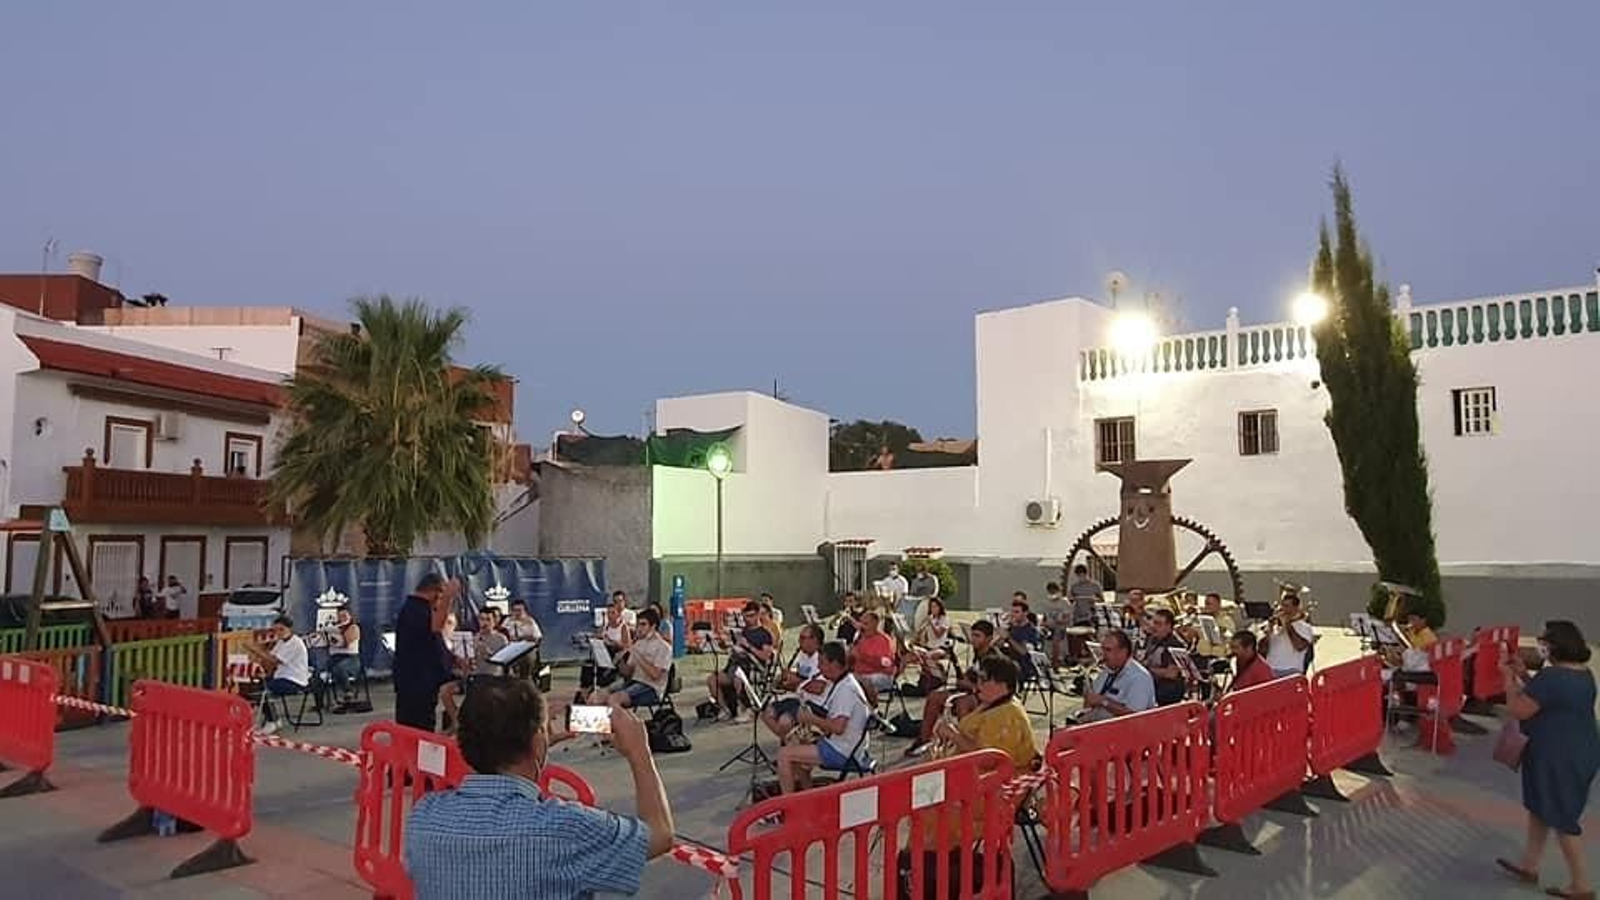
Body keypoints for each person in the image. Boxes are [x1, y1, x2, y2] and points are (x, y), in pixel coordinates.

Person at [405, 678, 673, 899]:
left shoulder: (424, 816)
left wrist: (536, 751)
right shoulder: (564, 827)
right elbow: (659, 835)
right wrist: (640, 752)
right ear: (536, 744)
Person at [1496, 620, 1600, 899]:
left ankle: (1582, 885)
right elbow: (1552, 698)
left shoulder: (1552, 677)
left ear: (1554, 646)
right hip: (1581, 751)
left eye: (1544, 642)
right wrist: (1525, 675)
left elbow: (1519, 710)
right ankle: (1529, 866)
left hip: (1556, 756)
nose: (1541, 646)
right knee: (1541, 809)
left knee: (1561, 817)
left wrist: (1507, 679)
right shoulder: (1583, 675)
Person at [777, 641, 872, 793]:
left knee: (784, 755)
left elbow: (838, 728)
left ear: (834, 664)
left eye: (821, 663)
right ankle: (807, 795)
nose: (819, 668)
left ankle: (788, 805)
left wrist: (810, 719)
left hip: (844, 750)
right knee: (795, 746)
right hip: (844, 744)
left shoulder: (847, 690)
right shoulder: (841, 683)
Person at [907, 620, 1004, 758]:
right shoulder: (977, 652)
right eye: (973, 635)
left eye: (978, 636)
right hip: (970, 692)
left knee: (962, 703)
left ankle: (965, 744)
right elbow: (969, 677)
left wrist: (968, 685)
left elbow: (990, 688)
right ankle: (924, 739)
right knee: (934, 696)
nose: (973, 639)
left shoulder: (994, 658)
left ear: (989, 638)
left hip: (984, 697)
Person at [932, 654, 1038, 770]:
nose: (978, 684)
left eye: (983, 680)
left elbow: (990, 761)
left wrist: (953, 735)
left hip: (998, 781)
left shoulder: (1005, 715)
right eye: (978, 679)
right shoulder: (993, 702)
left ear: (1002, 685)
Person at [394, 574, 457, 732]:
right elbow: (435, 628)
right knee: (417, 729)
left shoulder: (416, 608)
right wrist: (448, 598)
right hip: (417, 683)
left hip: (419, 681)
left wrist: (452, 659)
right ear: (435, 592)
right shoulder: (416, 609)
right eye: (440, 596)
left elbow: (431, 641)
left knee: (418, 726)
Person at [705, 601, 777, 721]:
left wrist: (748, 646)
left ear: (758, 615)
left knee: (738, 679)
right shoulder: (743, 631)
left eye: (751, 616)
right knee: (712, 679)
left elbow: (765, 657)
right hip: (734, 666)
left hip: (753, 668)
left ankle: (748, 709)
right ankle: (725, 709)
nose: (748, 619)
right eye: (746, 616)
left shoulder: (765, 634)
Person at [596, 608, 673, 711]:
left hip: (651, 687)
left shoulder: (664, 647)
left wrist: (636, 653)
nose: (639, 628)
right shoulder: (638, 643)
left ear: (653, 626)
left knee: (613, 700)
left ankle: (629, 726)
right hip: (633, 681)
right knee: (597, 697)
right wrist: (619, 661)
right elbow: (628, 673)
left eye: (643, 624)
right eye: (638, 625)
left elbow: (655, 675)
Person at [246, 615, 312, 736]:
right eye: (276, 630)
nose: (278, 633)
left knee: (264, 689)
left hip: (294, 680)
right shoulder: (281, 642)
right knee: (256, 685)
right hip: (281, 676)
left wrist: (255, 650)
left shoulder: (295, 643)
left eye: (281, 629)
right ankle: (270, 717)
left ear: (290, 629)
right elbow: (270, 660)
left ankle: (273, 720)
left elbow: (274, 660)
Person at [762, 624, 827, 740]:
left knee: (784, 721)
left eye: (802, 638)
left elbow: (819, 688)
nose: (799, 641)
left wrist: (795, 680)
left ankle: (791, 742)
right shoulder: (802, 656)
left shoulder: (822, 658)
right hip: (799, 698)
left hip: (815, 702)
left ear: (814, 640)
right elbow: (798, 684)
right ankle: (788, 740)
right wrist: (784, 683)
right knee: (767, 713)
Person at [1076, 630, 1156, 724]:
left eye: (1108, 650)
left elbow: (1135, 717)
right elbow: (1090, 703)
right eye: (1103, 649)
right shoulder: (1107, 671)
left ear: (1123, 652)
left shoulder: (1139, 678)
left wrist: (1104, 702)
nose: (1103, 655)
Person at [849, 610, 899, 706]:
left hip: (881, 675)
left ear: (875, 624)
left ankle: (872, 710)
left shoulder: (884, 640)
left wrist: (861, 656)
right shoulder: (861, 638)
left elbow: (885, 664)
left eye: (865, 624)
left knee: (860, 682)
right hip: (861, 674)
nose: (862, 627)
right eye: (861, 623)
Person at [1140, 609, 1189, 706]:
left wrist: (1146, 670)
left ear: (1169, 627)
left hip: (1167, 690)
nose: (1154, 626)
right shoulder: (1151, 639)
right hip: (1151, 683)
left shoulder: (1175, 644)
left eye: (1158, 624)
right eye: (1154, 622)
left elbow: (1172, 674)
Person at [1263, 590, 1316, 677]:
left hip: (1291, 671)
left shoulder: (1305, 627)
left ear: (1296, 608)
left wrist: (1287, 624)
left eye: (1287, 606)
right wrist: (1268, 632)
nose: (1283, 609)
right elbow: (1263, 650)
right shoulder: (1275, 627)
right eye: (1282, 606)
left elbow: (1299, 646)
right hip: (1270, 670)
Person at [325, 605, 363, 708]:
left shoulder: (354, 627)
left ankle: (348, 692)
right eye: (340, 616)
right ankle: (321, 702)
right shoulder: (331, 628)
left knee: (339, 668)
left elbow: (346, 642)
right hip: (335, 658)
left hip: (351, 659)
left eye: (345, 615)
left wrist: (336, 633)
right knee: (318, 672)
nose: (343, 618)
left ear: (350, 616)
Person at [1225, 630, 1275, 694]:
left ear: (1249, 648)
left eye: (1236, 647)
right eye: (1232, 647)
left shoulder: (1262, 670)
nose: (1233, 651)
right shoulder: (1241, 661)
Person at [1042, 581, 1073, 667]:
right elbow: (1045, 616)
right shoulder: (1047, 602)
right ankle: (1045, 659)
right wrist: (1044, 623)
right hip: (1049, 627)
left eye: (1053, 592)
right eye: (1050, 592)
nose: (1052, 594)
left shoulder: (1064, 602)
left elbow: (1068, 618)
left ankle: (1056, 661)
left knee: (1057, 634)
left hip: (1060, 627)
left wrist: (1059, 621)